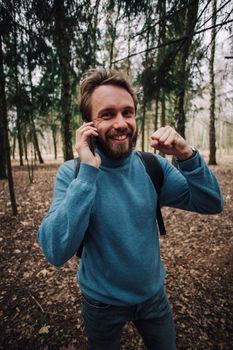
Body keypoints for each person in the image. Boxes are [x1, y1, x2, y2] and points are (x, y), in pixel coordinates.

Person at [37, 68, 224, 350]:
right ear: (88, 124)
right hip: (101, 304)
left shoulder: (152, 167)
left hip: (153, 299)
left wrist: (187, 155)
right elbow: (55, 251)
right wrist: (88, 173)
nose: (121, 123)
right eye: (107, 114)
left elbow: (211, 203)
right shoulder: (72, 174)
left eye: (128, 112)